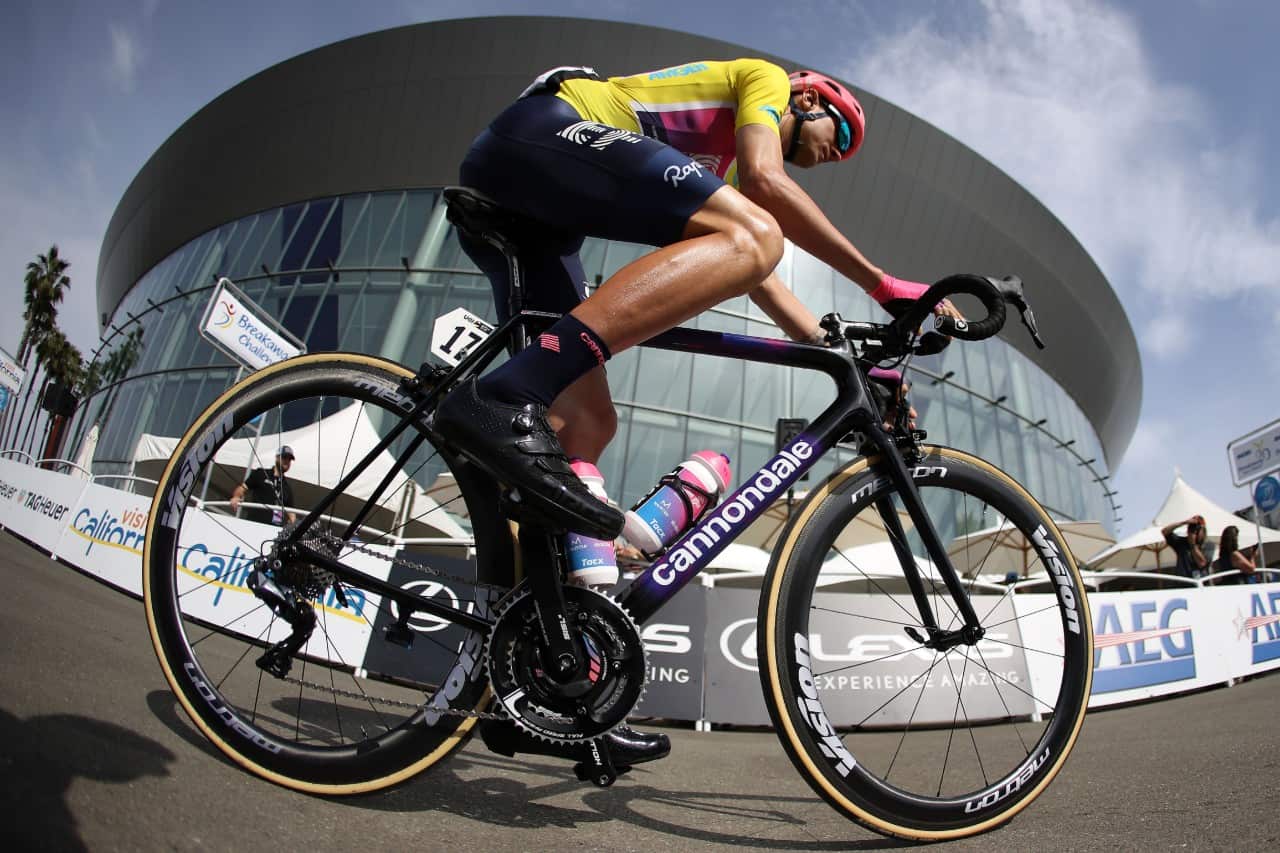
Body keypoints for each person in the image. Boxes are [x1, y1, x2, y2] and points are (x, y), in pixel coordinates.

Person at [434, 59, 961, 767]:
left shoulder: (719, 176)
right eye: (839, 129)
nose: (838, 151)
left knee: (584, 426)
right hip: (541, 133)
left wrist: (832, 349)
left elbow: (754, 266)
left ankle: (548, 683)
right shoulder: (767, 83)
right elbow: (766, 196)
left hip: (540, 227)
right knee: (754, 231)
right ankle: (503, 393)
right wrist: (884, 285)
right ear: (807, 96)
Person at [230, 447, 297, 527]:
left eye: (290, 459)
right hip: (254, 525)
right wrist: (236, 496)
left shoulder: (286, 487)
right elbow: (242, 488)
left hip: (273, 529)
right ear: (277, 457)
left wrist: (292, 522)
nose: (287, 461)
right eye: (284, 457)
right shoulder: (261, 473)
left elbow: (291, 511)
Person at [1161, 515, 1209, 579]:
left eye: (1197, 529)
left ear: (1203, 530)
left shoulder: (1209, 545)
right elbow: (1165, 531)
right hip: (1183, 581)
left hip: (1201, 582)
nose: (1193, 533)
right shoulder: (1181, 543)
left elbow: (1201, 563)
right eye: (1191, 529)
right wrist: (1184, 522)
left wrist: (1192, 544)